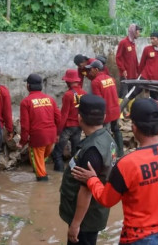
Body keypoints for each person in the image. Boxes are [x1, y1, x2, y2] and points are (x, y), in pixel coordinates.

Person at [71, 98, 158, 245]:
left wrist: (92, 179)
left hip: (139, 238)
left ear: (134, 128)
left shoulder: (127, 164)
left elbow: (106, 200)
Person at [59, 95, 117, 245]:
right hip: (95, 211)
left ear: (79, 118)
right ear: (104, 117)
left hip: (85, 218)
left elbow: (86, 192)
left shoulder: (92, 150)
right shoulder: (107, 138)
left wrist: (75, 225)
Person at [19, 73, 61, 181]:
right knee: (42, 160)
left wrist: (22, 142)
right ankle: (40, 170)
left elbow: (25, 126)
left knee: (41, 173)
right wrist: (57, 134)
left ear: (28, 86)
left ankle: (41, 191)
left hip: (38, 139)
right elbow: (58, 118)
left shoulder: (26, 102)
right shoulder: (50, 99)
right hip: (51, 137)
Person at [85, 60, 123, 157]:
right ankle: (121, 153)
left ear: (96, 69)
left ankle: (109, 156)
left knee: (105, 135)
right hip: (115, 109)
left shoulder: (95, 82)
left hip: (106, 112)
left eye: (91, 69)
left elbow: (99, 101)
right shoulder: (111, 79)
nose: (89, 72)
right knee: (116, 130)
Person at [53, 69, 87, 171]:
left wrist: (58, 132)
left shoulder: (68, 95)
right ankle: (74, 173)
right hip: (79, 126)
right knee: (75, 153)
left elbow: (64, 115)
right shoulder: (84, 93)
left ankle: (58, 174)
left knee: (57, 153)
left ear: (69, 81)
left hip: (68, 127)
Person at [116, 24, 141, 98]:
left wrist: (138, 71)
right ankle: (120, 109)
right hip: (125, 74)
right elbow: (118, 58)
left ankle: (129, 109)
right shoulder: (123, 42)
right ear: (134, 32)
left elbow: (134, 59)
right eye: (138, 32)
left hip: (133, 74)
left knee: (131, 94)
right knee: (123, 93)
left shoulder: (133, 43)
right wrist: (123, 70)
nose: (139, 34)